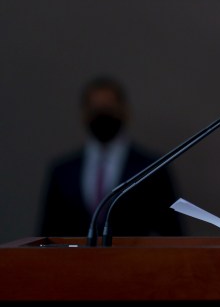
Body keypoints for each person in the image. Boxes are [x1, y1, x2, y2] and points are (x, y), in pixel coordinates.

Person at [40, 77, 182, 237]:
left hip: (133, 258)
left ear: (125, 111)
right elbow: (46, 234)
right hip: (74, 259)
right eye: (95, 109)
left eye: (108, 108)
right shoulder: (62, 172)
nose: (102, 115)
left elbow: (172, 233)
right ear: (83, 114)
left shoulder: (151, 167)